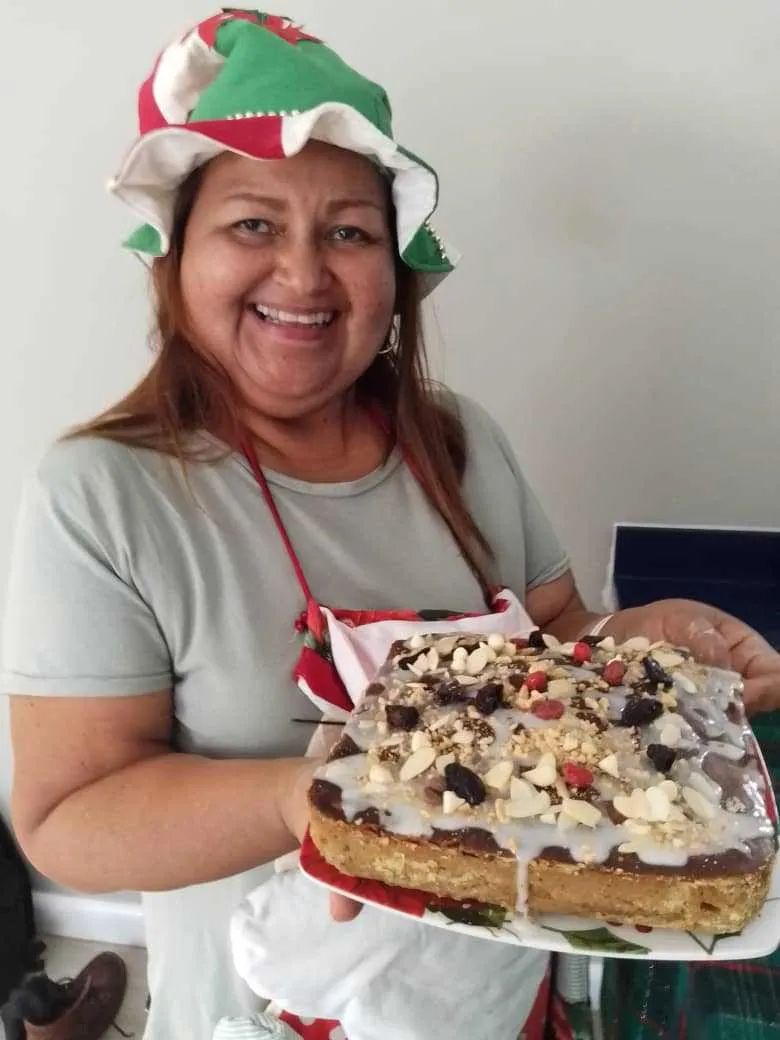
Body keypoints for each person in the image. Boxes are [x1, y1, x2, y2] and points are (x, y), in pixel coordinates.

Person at [4, 11, 780, 1040]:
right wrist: (316, 799)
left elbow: (560, 646)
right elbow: (67, 821)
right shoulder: (106, 492)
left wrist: (654, 638)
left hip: (495, 1002)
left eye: (349, 231)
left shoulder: (457, 443)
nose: (304, 273)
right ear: (174, 257)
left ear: (396, 274)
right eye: (251, 223)